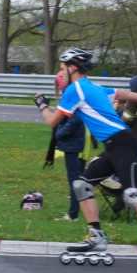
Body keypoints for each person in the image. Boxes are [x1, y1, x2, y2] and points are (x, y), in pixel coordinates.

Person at [33, 48, 137, 269]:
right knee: (82, 185)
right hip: (113, 145)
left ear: (73, 68)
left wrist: (42, 105)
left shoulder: (75, 90)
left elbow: (53, 121)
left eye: (62, 69)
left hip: (121, 143)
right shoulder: (96, 88)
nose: (60, 74)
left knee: (131, 192)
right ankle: (96, 236)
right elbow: (127, 95)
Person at [52, 70, 87, 221]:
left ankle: (73, 214)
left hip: (73, 143)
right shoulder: (72, 94)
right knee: (78, 179)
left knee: (75, 180)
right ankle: (79, 211)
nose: (59, 88)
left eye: (60, 85)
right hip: (75, 141)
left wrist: (59, 134)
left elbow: (74, 121)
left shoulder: (71, 95)